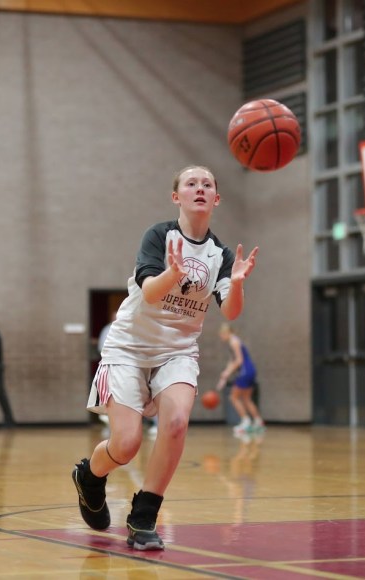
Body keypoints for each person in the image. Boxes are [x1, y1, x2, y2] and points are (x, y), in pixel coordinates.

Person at [72, 165, 258, 550]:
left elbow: (231, 311)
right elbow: (151, 293)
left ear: (217, 198)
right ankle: (90, 476)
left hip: (178, 350)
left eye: (207, 184)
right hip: (129, 347)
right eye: (191, 183)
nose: (200, 188)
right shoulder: (159, 237)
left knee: (175, 424)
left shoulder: (221, 255)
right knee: (126, 444)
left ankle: (144, 515)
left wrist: (237, 284)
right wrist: (173, 274)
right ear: (177, 197)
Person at [216, 323, 265, 435]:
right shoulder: (235, 341)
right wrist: (225, 374)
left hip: (245, 371)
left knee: (233, 397)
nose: (221, 337)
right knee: (246, 398)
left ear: (226, 333)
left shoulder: (234, 342)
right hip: (251, 370)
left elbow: (239, 360)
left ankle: (246, 422)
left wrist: (228, 372)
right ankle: (258, 422)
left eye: (221, 335)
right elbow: (231, 360)